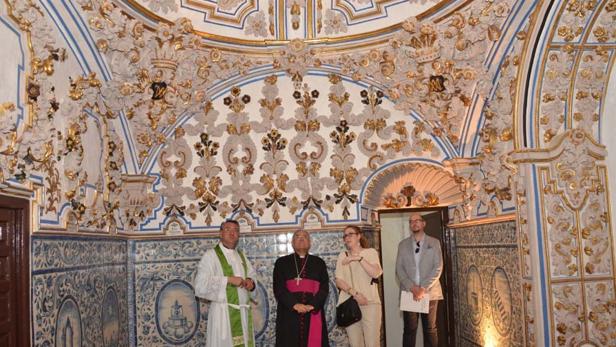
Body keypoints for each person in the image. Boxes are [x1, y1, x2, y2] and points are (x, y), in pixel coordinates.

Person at [193, 220, 257, 347]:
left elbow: (252, 276)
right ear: (221, 234)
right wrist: (228, 280)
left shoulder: (241, 256)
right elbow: (200, 285)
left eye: (236, 230)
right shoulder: (210, 256)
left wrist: (251, 283)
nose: (232, 233)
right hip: (223, 316)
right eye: (228, 229)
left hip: (243, 314)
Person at [273, 230, 330, 347]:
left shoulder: (319, 263)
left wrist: (313, 305)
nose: (301, 239)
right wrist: (294, 305)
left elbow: (324, 288)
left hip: (313, 312)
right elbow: (279, 288)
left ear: (309, 242)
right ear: (292, 243)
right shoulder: (281, 263)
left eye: (305, 237)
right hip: (289, 312)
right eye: (297, 237)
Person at [396, 213, 443, 347]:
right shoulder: (402, 244)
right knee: (409, 330)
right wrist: (412, 287)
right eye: (411, 221)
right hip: (409, 292)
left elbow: (438, 267)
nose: (414, 223)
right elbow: (399, 269)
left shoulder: (434, 242)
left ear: (423, 223)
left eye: (417, 220)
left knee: (430, 330)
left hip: (429, 292)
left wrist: (423, 288)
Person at [335, 225, 383, 347]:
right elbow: (339, 280)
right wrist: (355, 294)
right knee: (355, 343)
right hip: (349, 303)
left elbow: (375, 273)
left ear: (359, 236)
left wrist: (358, 258)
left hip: (370, 303)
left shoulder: (370, 252)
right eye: (345, 235)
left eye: (350, 234)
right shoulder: (343, 255)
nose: (347, 237)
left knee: (372, 343)